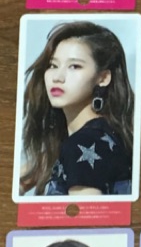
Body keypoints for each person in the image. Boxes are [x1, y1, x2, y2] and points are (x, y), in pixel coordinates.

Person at [20, 21, 134, 197]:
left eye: (74, 66)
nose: (58, 77)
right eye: (53, 65)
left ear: (103, 78)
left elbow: (88, 214)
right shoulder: (108, 135)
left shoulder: (83, 144)